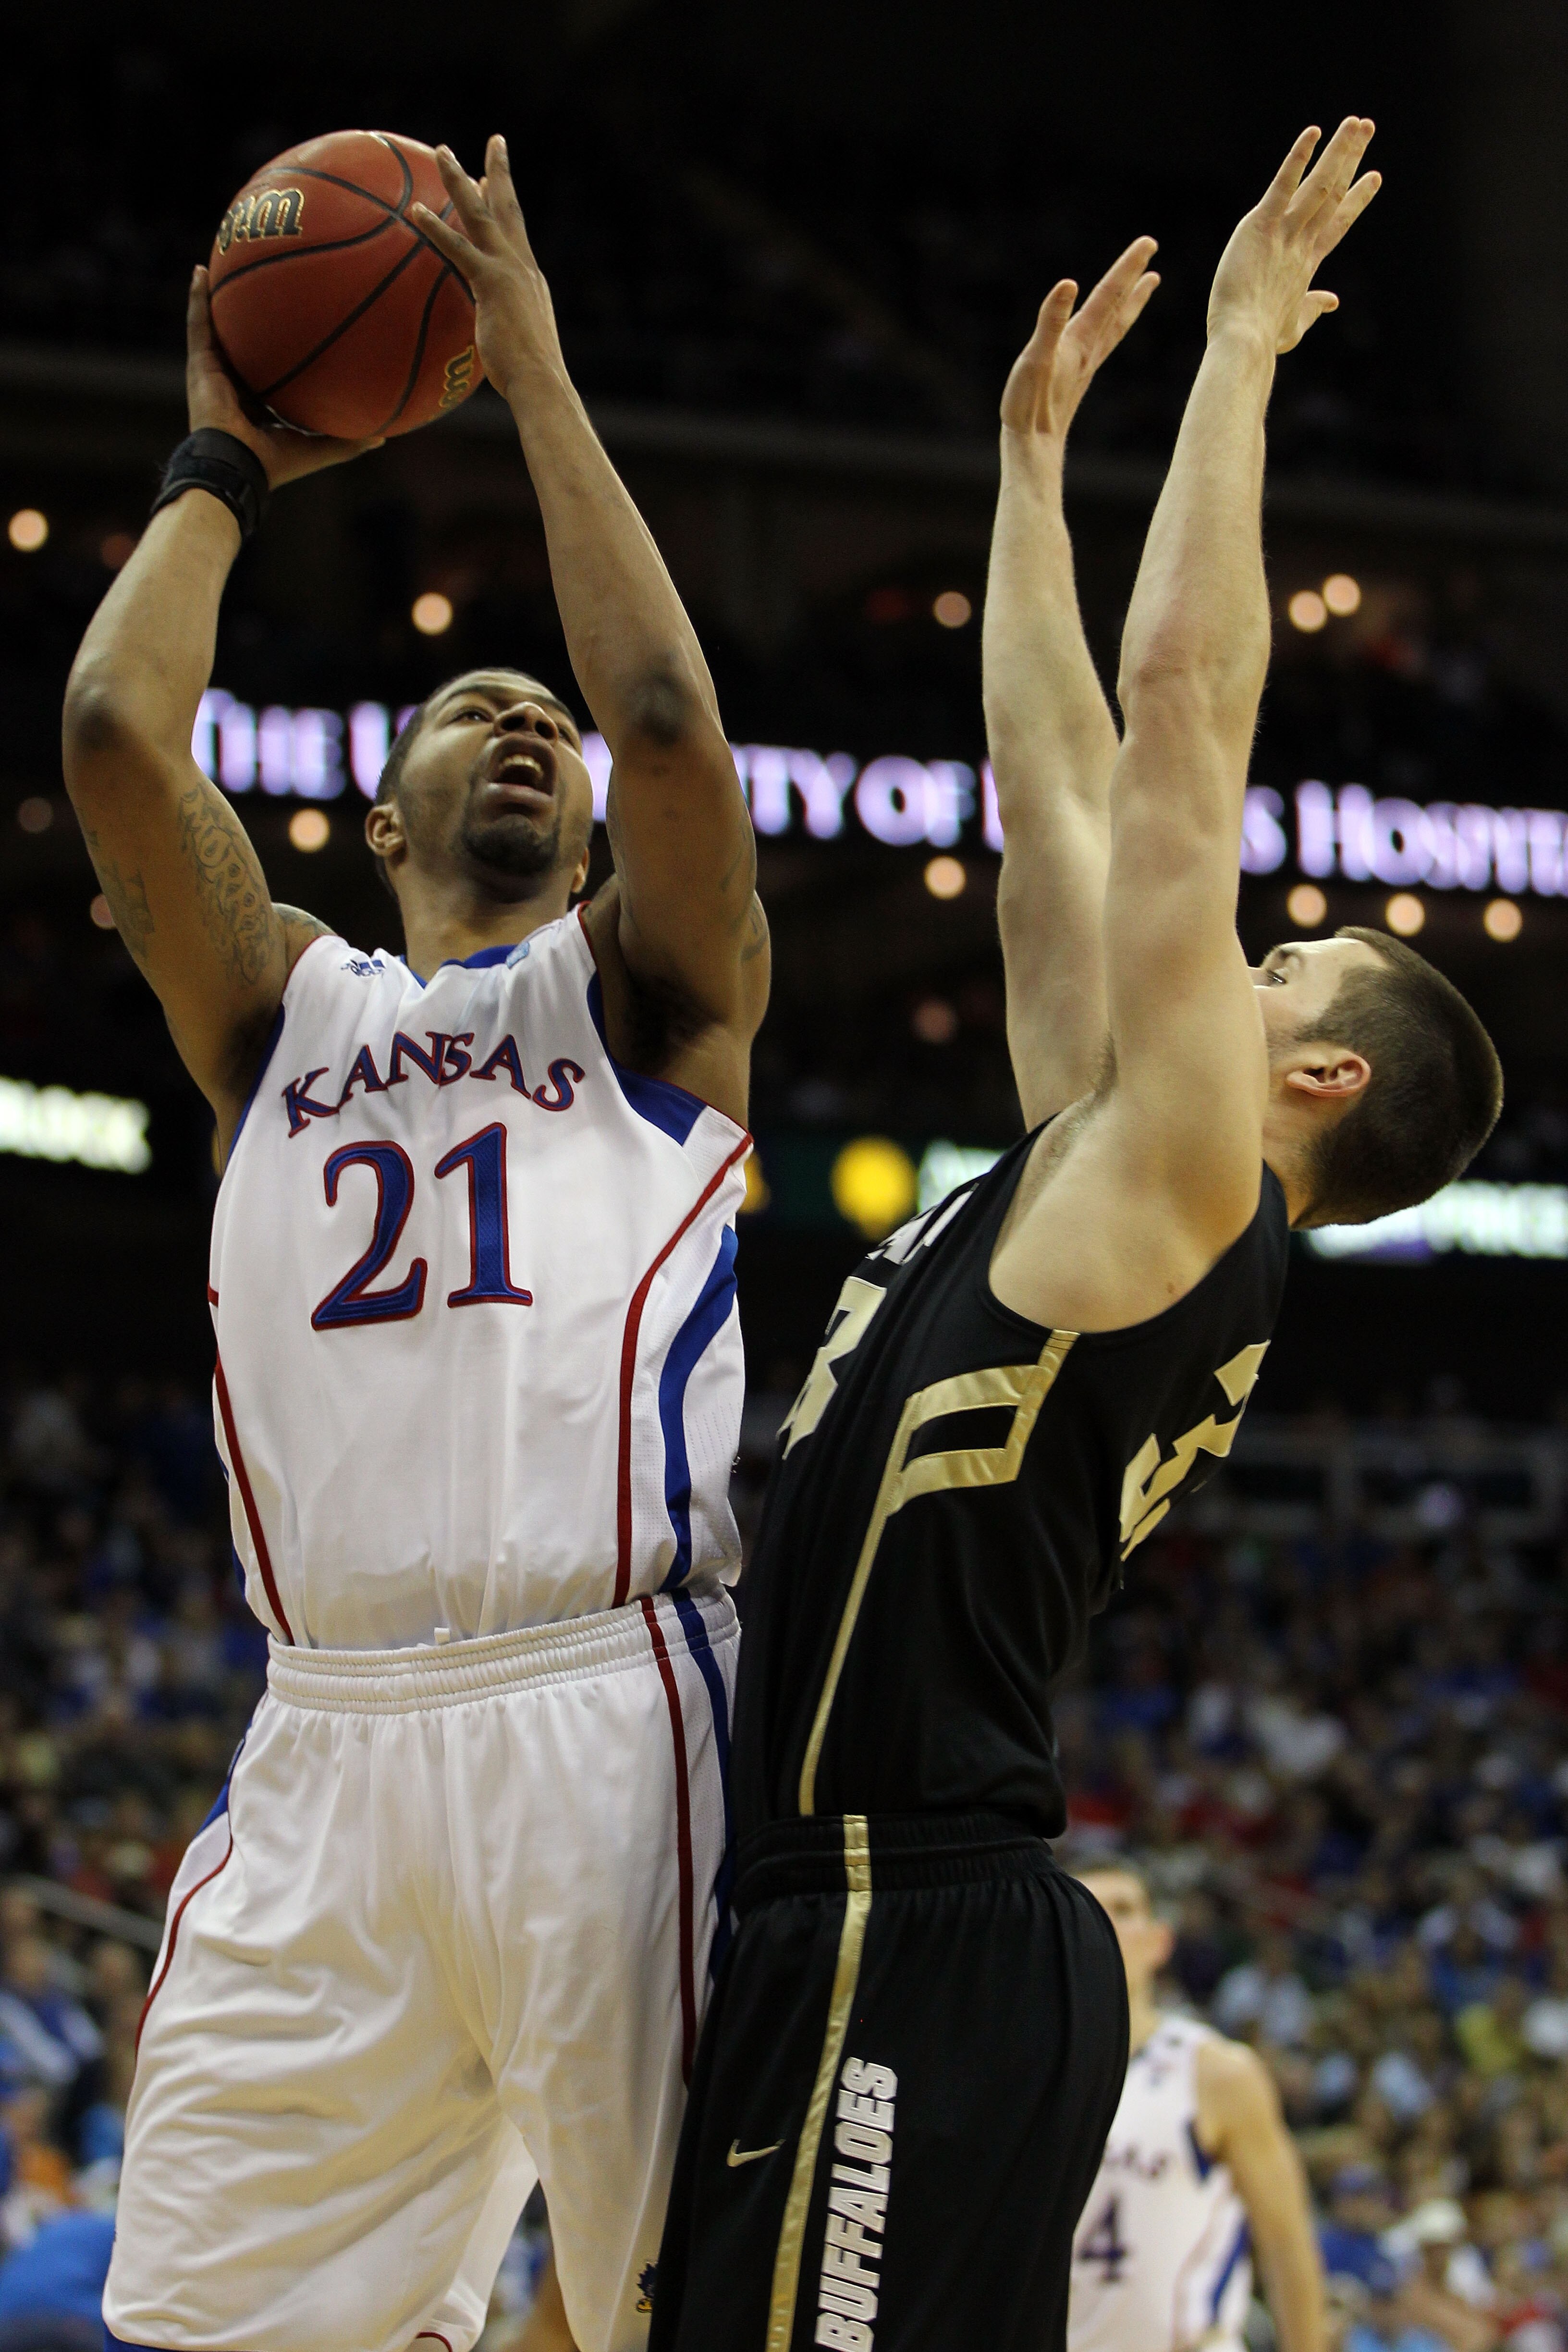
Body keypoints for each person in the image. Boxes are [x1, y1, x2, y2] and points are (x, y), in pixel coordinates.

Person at [649, 119, 1501, 2352]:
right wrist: (1025, 473)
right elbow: (1064, 795)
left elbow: (1188, 740)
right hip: (861, 1910)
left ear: (1310, 1081)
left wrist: (1233, 356)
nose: (1241, 957)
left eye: (1283, 964)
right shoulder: (1103, 1158)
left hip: (913, 1917)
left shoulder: (1196, 1178)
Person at [62, 135, 769, 2352]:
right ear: (371, 823)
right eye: (477, 705)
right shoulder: (281, 1004)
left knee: (684, 2315)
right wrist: (218, 452)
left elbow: (659, 712)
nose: (532, 721)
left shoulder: (657, 991)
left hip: (618, 1708)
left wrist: (537, 373)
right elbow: (106, 730)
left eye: (538, 719)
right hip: (332, 1737)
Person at [1066, 1864, 1325, 2352]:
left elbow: (1287, 2244)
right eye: (1087, 1909)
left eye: (1124, 1910)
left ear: (1160, 1942)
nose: (1106, 1925)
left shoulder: (1216, 2073)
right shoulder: (1025, 2072)